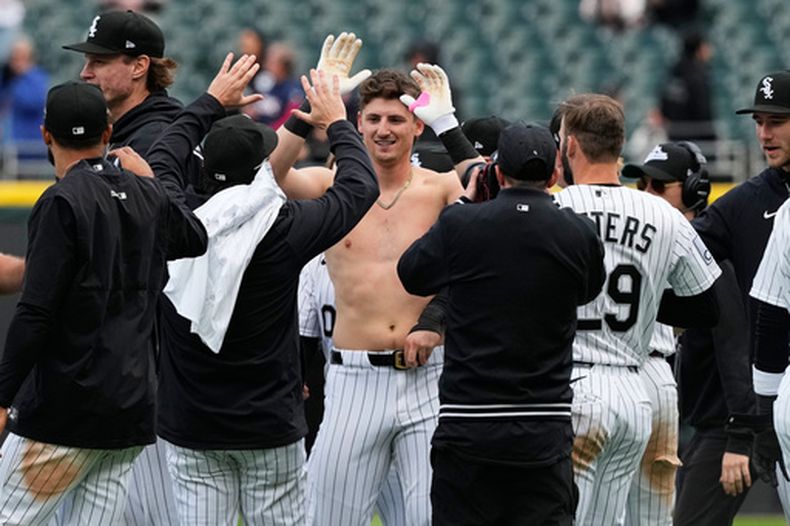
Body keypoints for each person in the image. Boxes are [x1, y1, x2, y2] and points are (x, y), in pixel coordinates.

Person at [154, 60, 378, 524]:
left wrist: (209, 102)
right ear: (261, 168)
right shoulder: (283, 227)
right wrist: (336, 118)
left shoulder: (169, 215)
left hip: (190, 422)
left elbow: (163, 156)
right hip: (267, 425)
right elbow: (360, 187)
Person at [0, 80, 207, 525]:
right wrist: (151, 180)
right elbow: (195, 237)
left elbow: (35, 313)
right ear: (109, 131)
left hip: (64, 414)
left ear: (45, 135)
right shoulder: (147, 194)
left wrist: (1, 396)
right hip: (128, 412)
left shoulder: (60, 200)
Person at [269, 51, 463, 522]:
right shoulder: (332, 184)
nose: (384, 129)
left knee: (432, 516)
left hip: (427, 379)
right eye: (373, 118)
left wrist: (448, 122)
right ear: (357, 123)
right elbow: (267, 176)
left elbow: (492, 223)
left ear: (417, 126)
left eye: (397, 119)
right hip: (354, 378)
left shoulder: (440, 188)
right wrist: (310, 111)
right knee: (326, 516)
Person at [397, 121, 605, 525]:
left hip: (469, 421)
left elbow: (412, 274)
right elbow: (587, 293)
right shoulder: (578, 231)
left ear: (496, 170)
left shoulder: (462, 225)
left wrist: (463, 206)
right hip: (543, 424)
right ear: (555, 173)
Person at [552, 93, 722, 525]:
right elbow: (707, 307)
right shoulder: (663, 214)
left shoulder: (555, 208)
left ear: (570, 145)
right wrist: (646, 303)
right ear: (619, 144)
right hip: (638, 388)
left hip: (576, 381)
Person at [622, 142, 751, 526]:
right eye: (643, 184)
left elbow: (734, 346)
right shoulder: (663, 249)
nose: (647, 194)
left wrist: (739, 438)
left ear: (695, 189)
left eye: (660, 186)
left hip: (729, 427)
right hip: (712, 423)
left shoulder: (713, 255)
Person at [697, 70, 790, 517]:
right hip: (774, 389)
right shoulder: (738, 206)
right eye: (758, 121)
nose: (764, 134)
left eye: (777, 121)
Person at [62, 9, 181, 155]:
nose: (84, 73)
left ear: (139, 67)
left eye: (99, 62)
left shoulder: (154, 139)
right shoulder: (135, 130)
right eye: (87, 61)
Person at [659, 30, 716, 143]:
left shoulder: (673, 71)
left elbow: (664, 105)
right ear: (698, 49)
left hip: (674, 138)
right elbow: (702, 110)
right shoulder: (698, 75)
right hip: (698, 139)